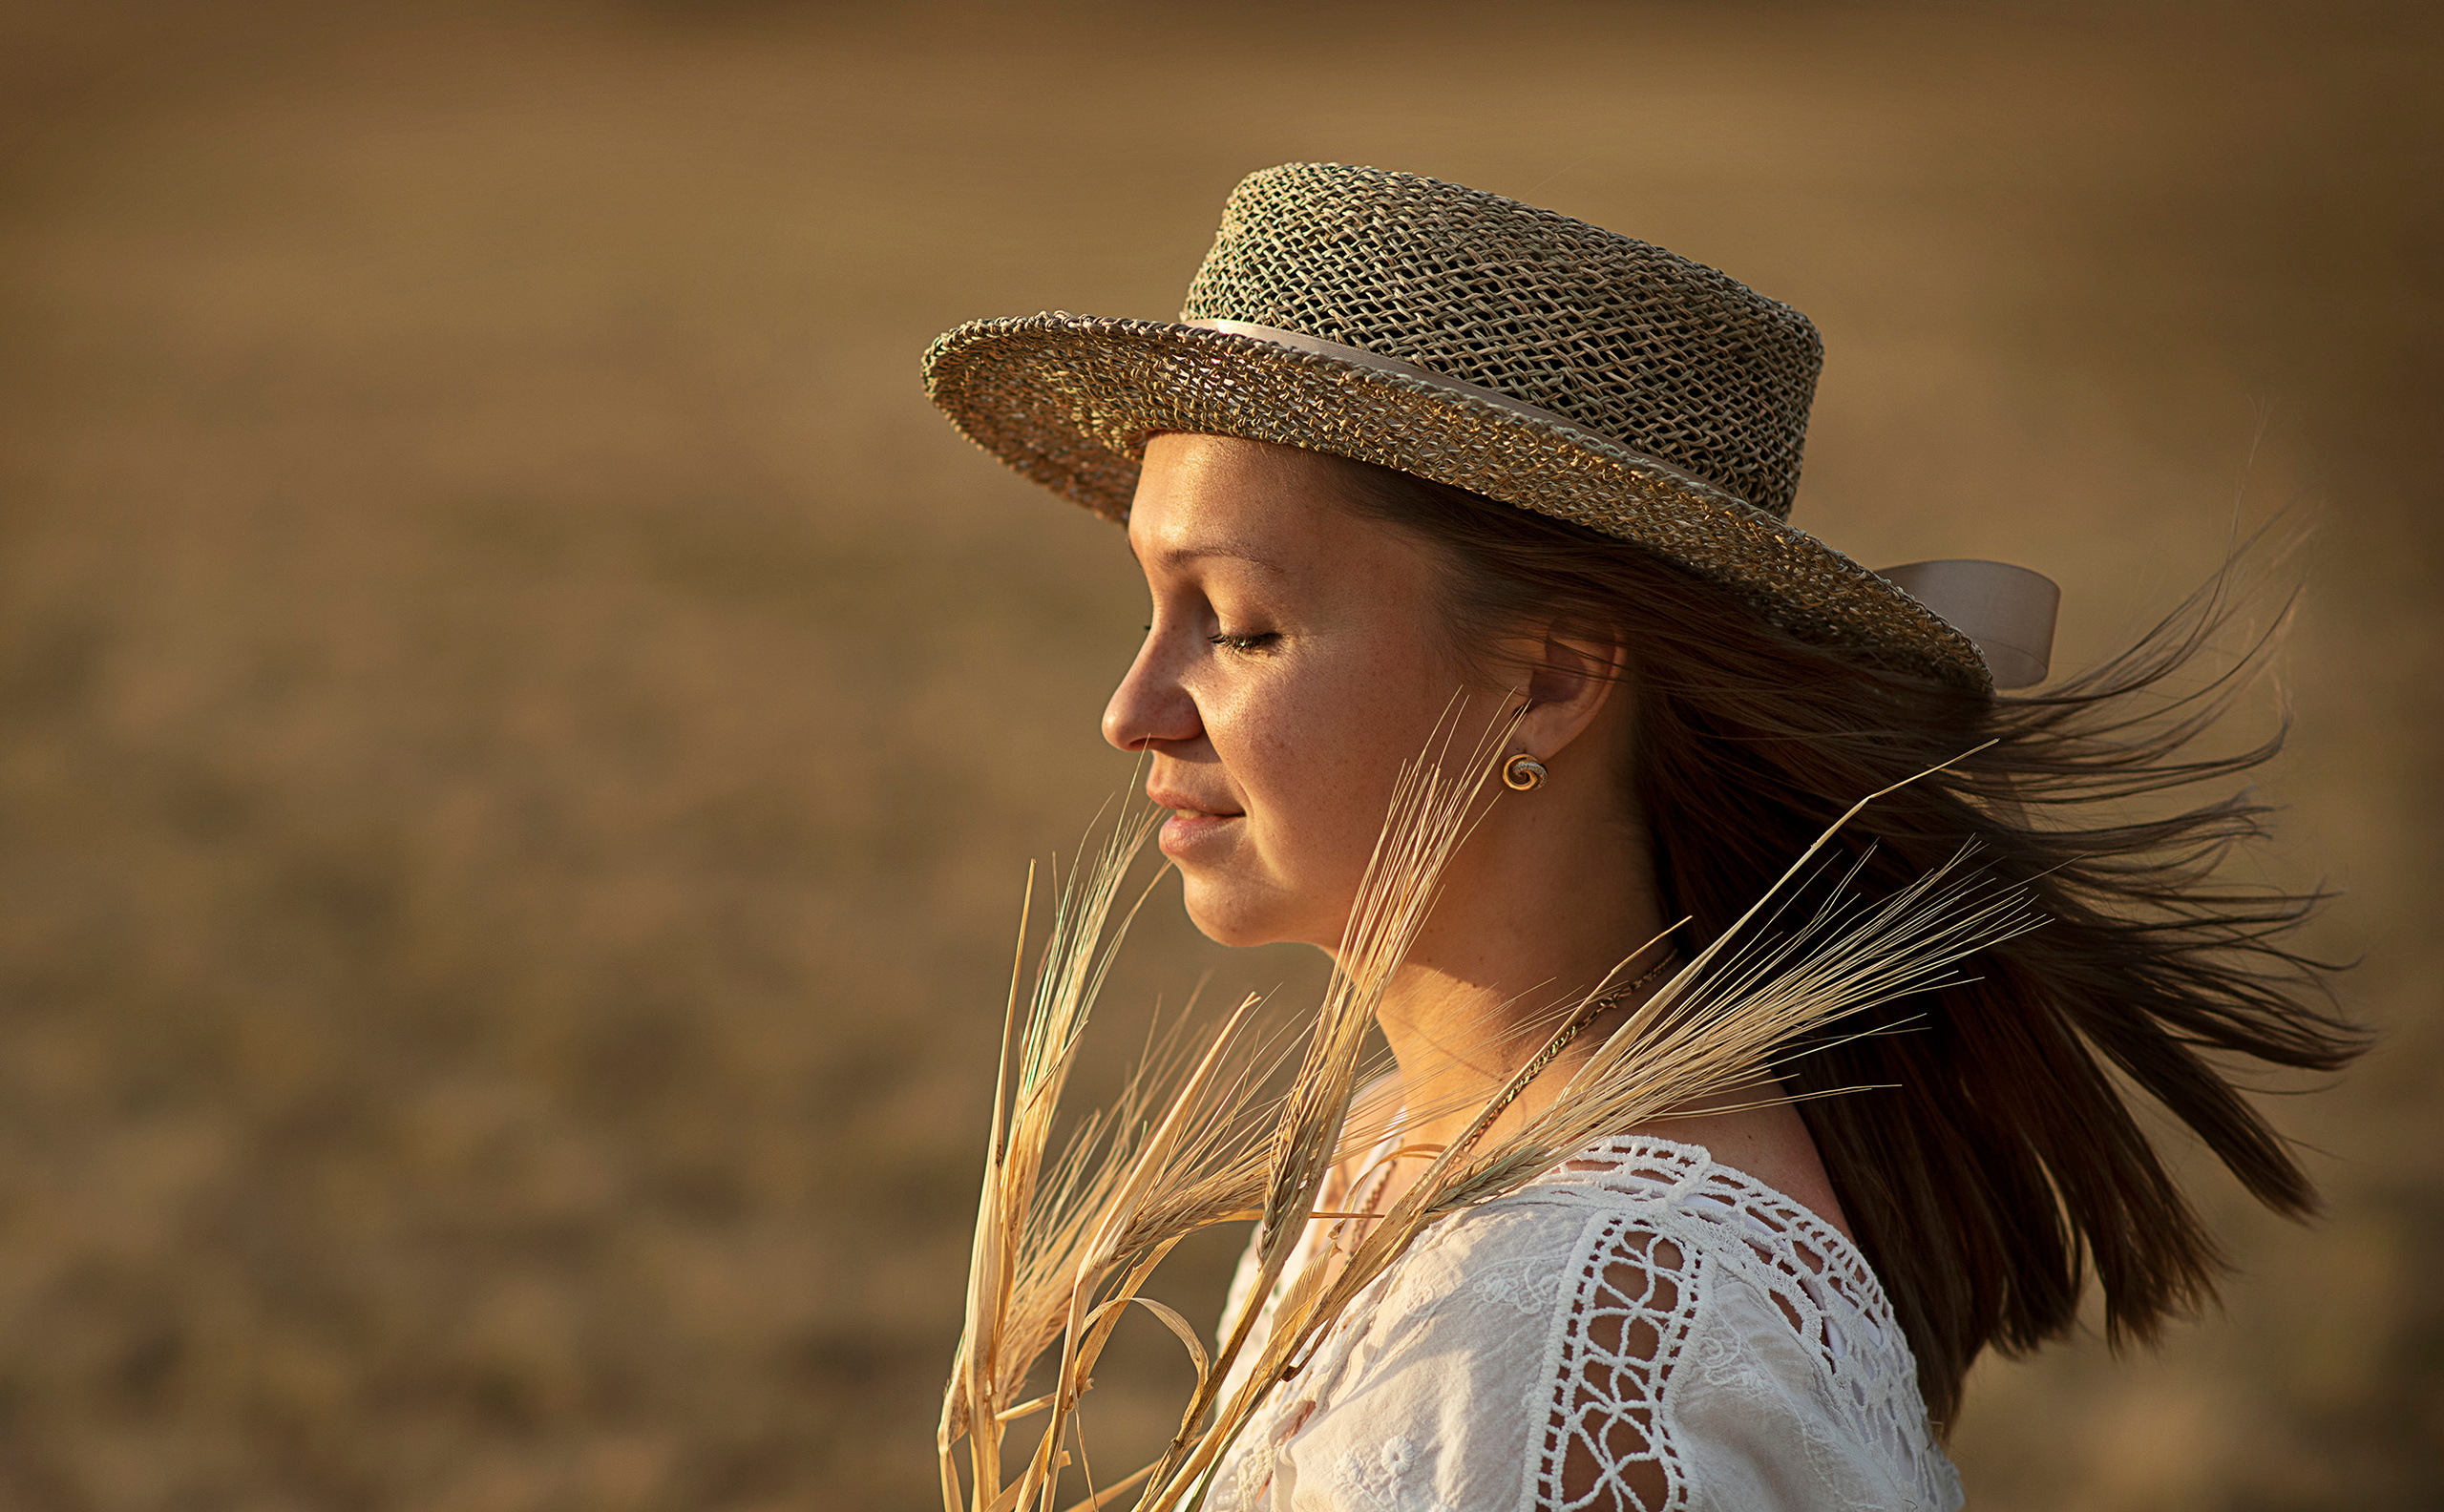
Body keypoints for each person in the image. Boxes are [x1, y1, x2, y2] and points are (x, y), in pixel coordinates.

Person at [921, 163, 2357, 1511]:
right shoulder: (1408, 1156)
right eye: (1149, 611)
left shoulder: (1555, 1320)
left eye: (1238, 625)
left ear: (1548, 682)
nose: (1131, 710)